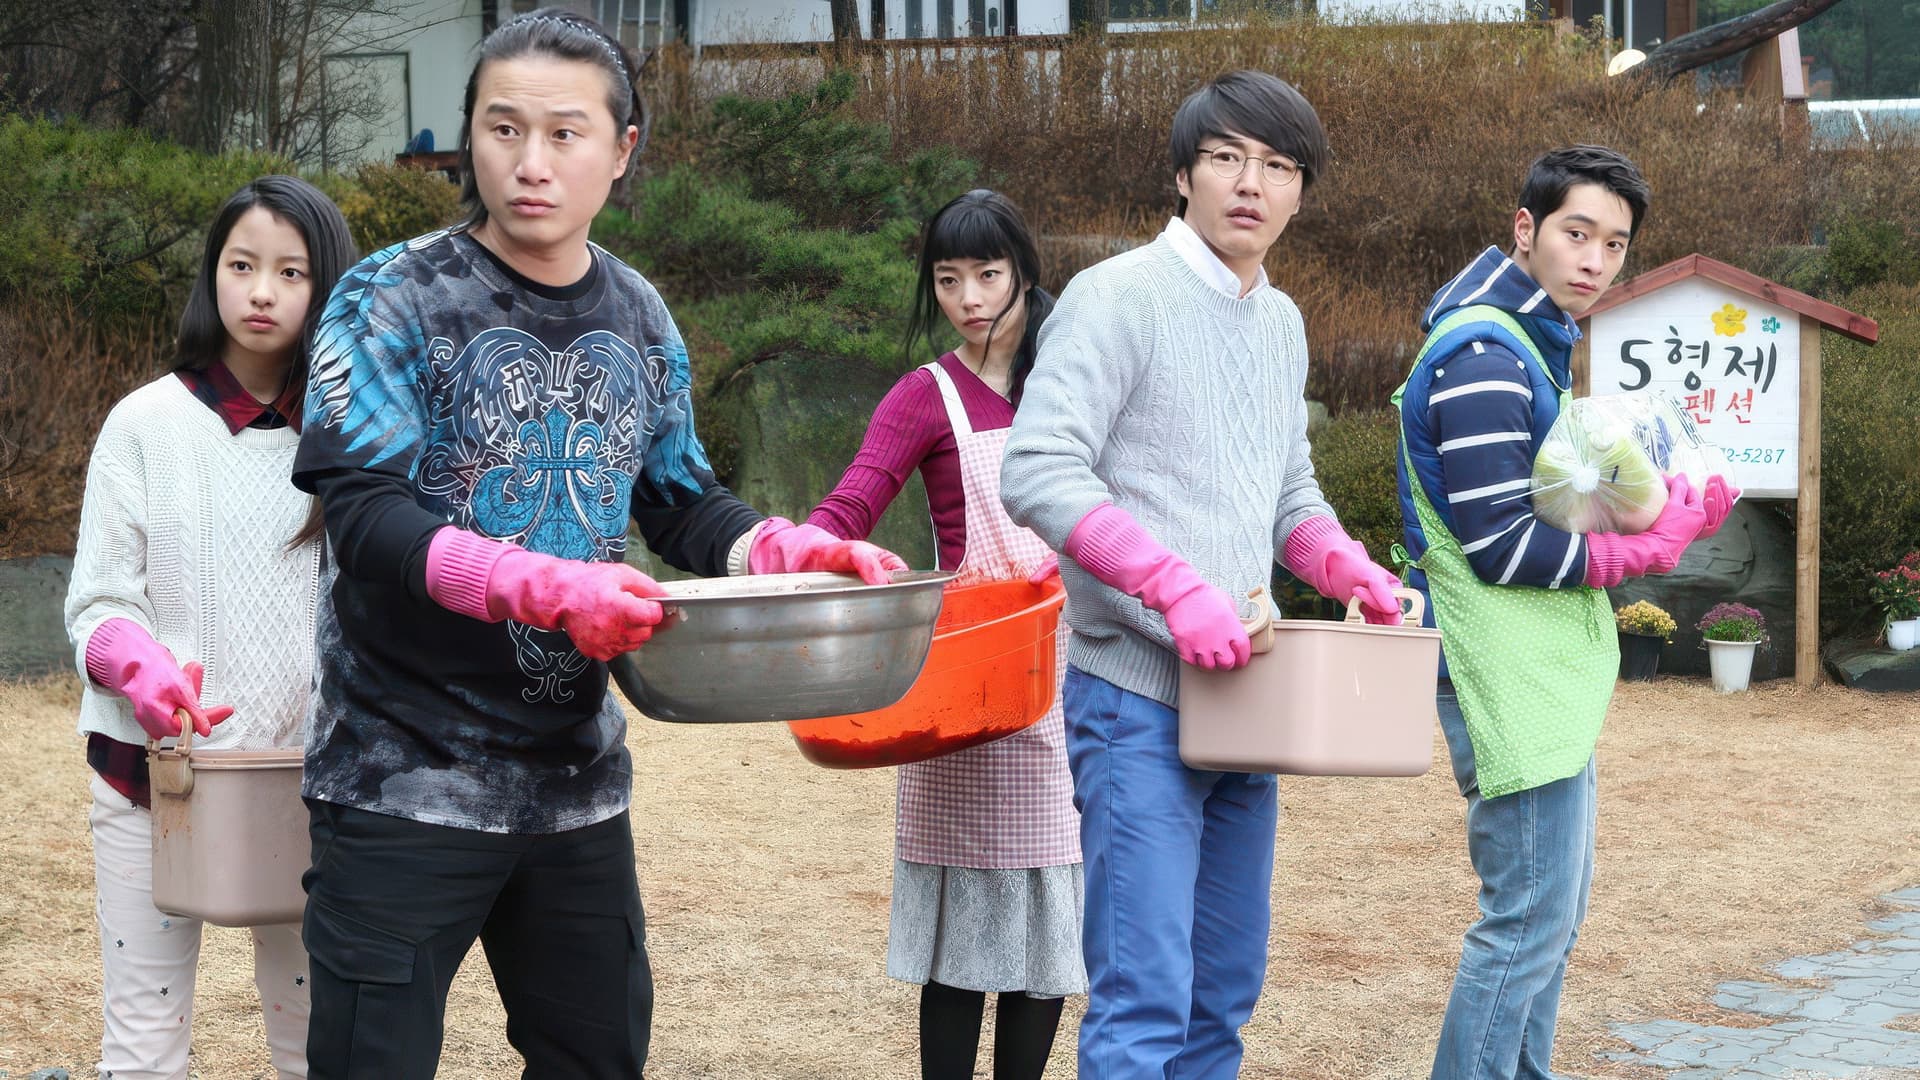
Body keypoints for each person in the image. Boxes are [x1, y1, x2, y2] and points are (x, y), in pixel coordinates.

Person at [289, 10, 904, 1077]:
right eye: (502, 129)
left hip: (575, 783)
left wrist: (788, 552)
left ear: (623, 151)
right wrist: (531, 583)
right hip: (400, 777)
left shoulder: (639, 312)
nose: (530, 164)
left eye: (565, 134)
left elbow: (681, 500)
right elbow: (366, 513)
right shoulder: (390, 297)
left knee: (599, 1060)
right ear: (467, 137)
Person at [999, 70, 1404, 1077]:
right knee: (1143, 999)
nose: (1250, 183)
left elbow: (1287, 494)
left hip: (1247, 702)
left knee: (1222, 994)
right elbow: (1038, 468)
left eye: (1277, 165)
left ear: (1302, 190)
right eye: (1225, 157)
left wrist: (1345, 564)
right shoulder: (1118, 297)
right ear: (1183, 174)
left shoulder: (1280, 323)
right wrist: (1170, 586)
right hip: (1133, 697)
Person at [1390, 145, 1737, 1080]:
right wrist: (1638, 550)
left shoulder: (1521, 343)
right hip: (1504, 675)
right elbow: (1498, 544)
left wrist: (1646, 503)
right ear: (1525, 230)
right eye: (1576, 233)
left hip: (1537, 677)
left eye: (1614, 244)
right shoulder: (1482, 353)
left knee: (1551, 920)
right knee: (1527, 921)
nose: (1594, 260)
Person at [64, 174, 357, 1080]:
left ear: (327, 287)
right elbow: (97, 603)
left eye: (291, 271)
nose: (261, 291)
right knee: (145, 1039)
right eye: (241, 265)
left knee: (318, 1038)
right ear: (213, 275)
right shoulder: (145, 423)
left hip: (308, 780)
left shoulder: (357, 434)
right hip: (158, 781)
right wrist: (138, 669)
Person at [808, 189, 1084, 1080]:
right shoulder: (923, 397)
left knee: (1053, 923)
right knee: (961, 939)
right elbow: (848, 508)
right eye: (948, 278)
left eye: (989, 275)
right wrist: (798, 566)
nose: (969, 297)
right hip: (968, 683)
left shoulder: (1075, 379)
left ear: (1026, 274)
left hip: (1074, 673)